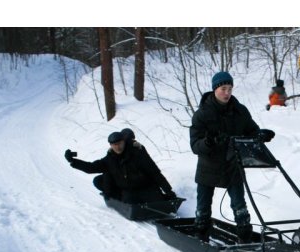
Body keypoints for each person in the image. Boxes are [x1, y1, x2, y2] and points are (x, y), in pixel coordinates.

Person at [189, 71, 275, 242]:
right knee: (203, 206)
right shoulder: (203, 114)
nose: (227, 93)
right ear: (215, 89)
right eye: (223, 89)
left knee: (239, 205)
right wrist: (210, 142)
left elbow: (251, 130)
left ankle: (245, 236)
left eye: (229, 89)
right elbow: (195, 145)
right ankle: (200, 234)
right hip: (209, 166)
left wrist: (261, 135)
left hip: (232, 164)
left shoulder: (240, 111)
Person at [64, 131, 177, 203]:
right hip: (128, 191)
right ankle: (119, 197)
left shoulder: (137, 153)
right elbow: (91, 167)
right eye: (114, 145)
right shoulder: (109, 159)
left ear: (124, 142)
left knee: (158, 203)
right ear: (111, 145)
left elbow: (155, 172)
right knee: (129, 200)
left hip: (146, 187)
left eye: (119, 143)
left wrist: (168, 191)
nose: (117, 147)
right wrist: (73, 161)